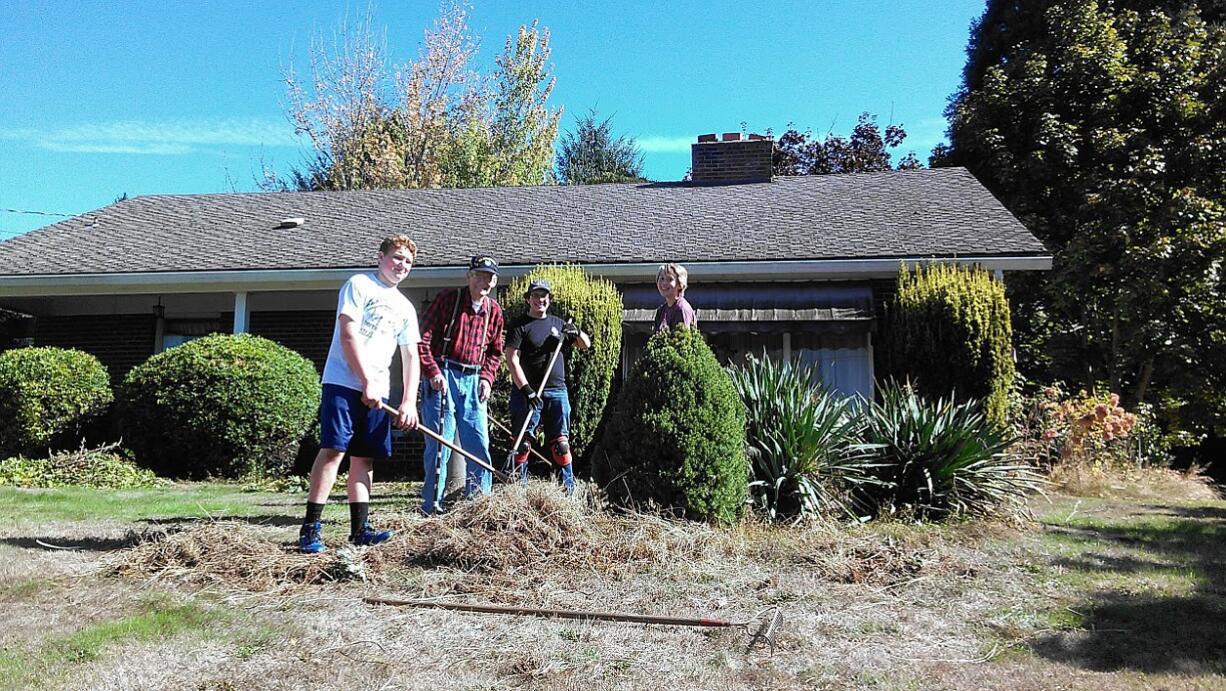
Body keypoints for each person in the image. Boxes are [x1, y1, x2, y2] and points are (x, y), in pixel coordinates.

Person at [298, 234, 421, 554]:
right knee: (334, 451)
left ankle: (360, 530)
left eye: (408, 262)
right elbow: (348, 333)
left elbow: (411, 357)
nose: (401, 265)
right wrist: (366, 381)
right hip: (343, 382)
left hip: (378, 390)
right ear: (380, 257)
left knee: (364, 458)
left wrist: (408, 401)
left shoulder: (405, 307)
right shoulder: (359, 285)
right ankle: (310, 528)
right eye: (396, 257)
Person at [417, 255, 505, 514]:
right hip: (442, 374)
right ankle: (432, 506)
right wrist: (432, 373)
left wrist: (488, 378)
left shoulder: (494, 312)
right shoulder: (448, 300)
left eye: (489, 277)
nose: (484, 281)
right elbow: (422, 340)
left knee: (478, 444)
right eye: (479, 275)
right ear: (469, 276)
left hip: (474, 379)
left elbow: (496, 353)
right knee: (440, 444)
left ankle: (479, 506)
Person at [506, 280, 591, 493]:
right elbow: (512, 360)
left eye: (544, 296)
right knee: (522, 444)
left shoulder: (559, 324)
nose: (540, 300)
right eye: (535, 296)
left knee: (561, 445)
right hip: (528, 392)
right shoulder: (520, 326)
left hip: (556, 390)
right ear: (528, 299)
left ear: (549, 299)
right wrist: (526, 390)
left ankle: (568, 491)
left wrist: (577, 332)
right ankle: (519, 491)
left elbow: (585, 345)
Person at [654, 262, 697, 332]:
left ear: (680, 284)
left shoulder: (682, 309)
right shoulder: (661, 311)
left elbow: (683, 340)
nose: (664, 283)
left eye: (670, 279)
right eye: (662, 278)